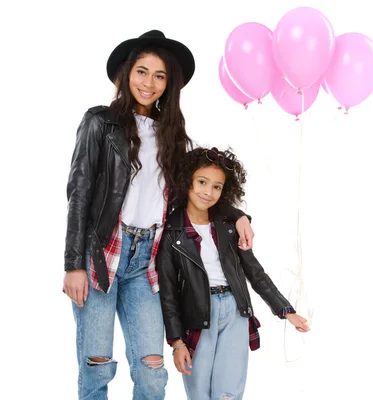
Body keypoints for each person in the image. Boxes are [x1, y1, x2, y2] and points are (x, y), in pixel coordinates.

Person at [62, 30, 255, 400]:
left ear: (169, 84)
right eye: (141, 71)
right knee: (96, 364)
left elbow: (196, 194)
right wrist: (74, 264)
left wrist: (237, 214)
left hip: (147, 261)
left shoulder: (175, 137)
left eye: (159, 75)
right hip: (102, 253)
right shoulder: (100, 123)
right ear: (126, 74)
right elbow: (79, 193)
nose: (149, 83)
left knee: (152, 372)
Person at [157, 146, 311, 400]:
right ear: (187, 181)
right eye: (202, 182)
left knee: (228, 393)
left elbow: (255, 272)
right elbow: (169, 293)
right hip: (197, 317)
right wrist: (177, 342)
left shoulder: (229, 227)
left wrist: (286, 310)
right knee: (199, 393)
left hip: (235, 311)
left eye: (217, 186)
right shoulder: (171, 232)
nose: (208, 191)